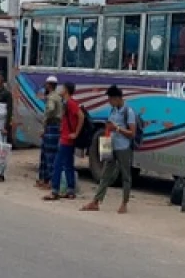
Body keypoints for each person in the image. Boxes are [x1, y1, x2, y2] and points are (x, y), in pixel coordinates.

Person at [81, 85, 137, 213]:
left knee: (126, 176)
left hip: (123, 147)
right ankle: (96, 201)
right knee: (105, 174)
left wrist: (117, 128)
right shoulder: (113, 110)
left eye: (110, 99)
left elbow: (132, 133)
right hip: (111, 144)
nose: (109, 102)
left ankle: (124, 203)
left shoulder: (129, 112)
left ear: (117, 98)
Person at [44, 82, 83, 201]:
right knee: (68, 165)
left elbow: (81, 116)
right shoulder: (67, 103)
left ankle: (54, 190)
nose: (60, 89)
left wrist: (75, 133)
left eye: (62, 88)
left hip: (66, 139)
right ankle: (70, 190)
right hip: (67, 137)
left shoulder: (70, 102)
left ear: (66, 90)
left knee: (57, 164)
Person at [35, 76, 63, 190]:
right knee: (46, 154)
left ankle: (50, 180)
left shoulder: (51, 98)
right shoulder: (58, 97)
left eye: (46, 84)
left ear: (49, 85)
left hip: (51, 126)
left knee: (49, 155)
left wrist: (45, 122)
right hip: (56, 127)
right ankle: (45, 179)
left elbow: (50, 110)